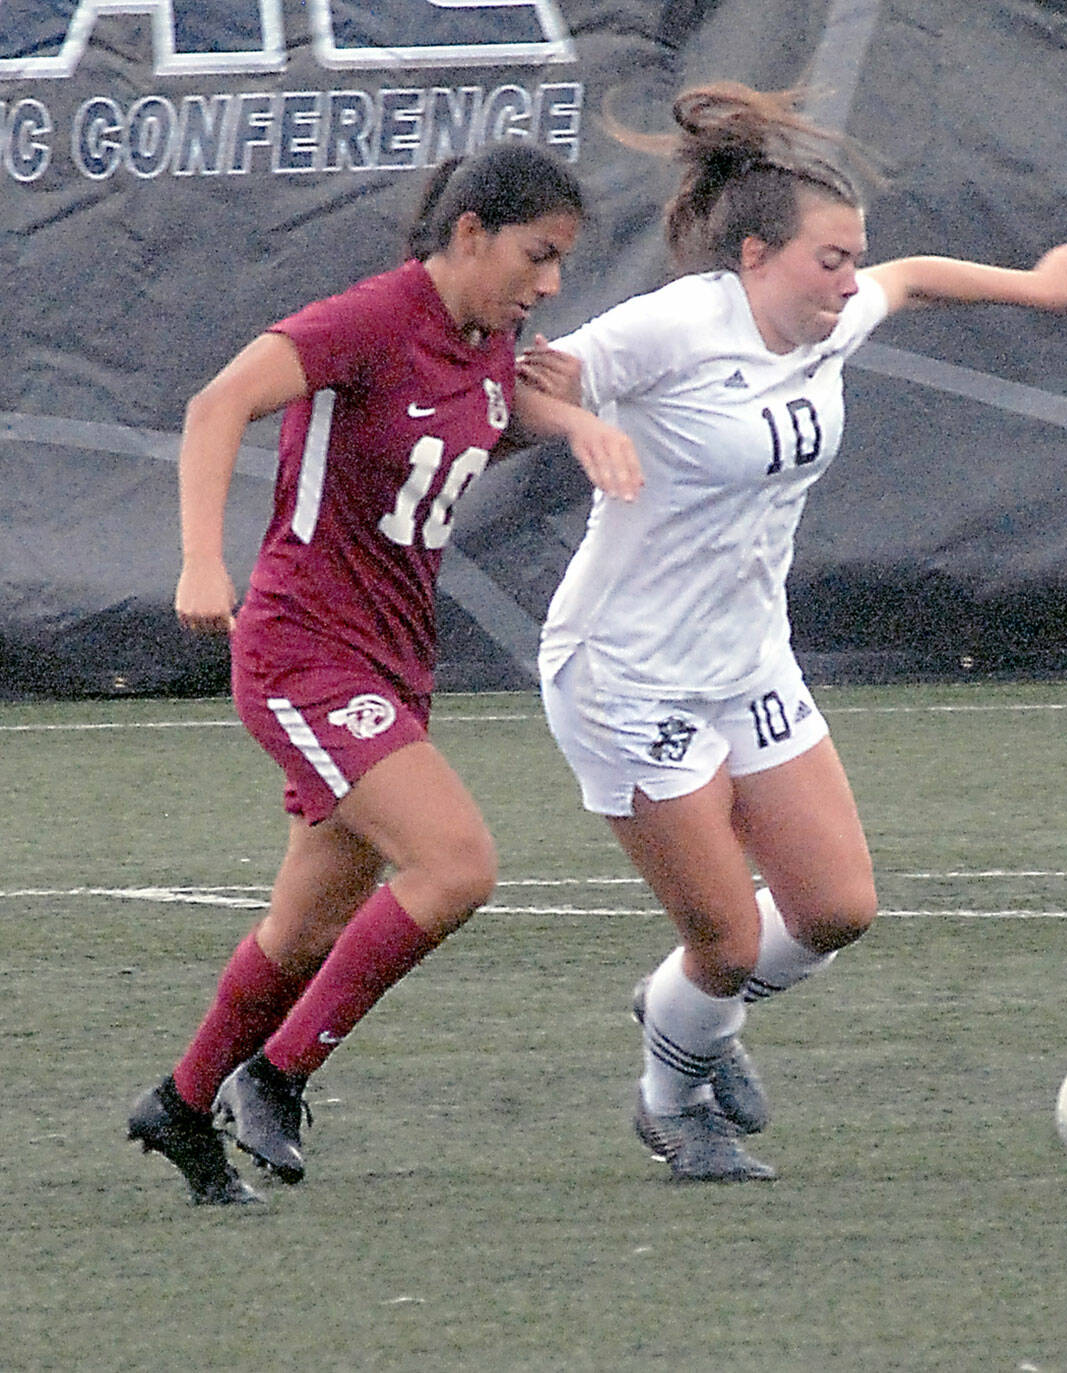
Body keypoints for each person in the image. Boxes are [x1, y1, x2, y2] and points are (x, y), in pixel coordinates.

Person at [521, 82, 1067, 1181]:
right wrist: (576, 429)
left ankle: (680, 1011)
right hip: (626, 675)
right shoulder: (677, 325)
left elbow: (910, 280)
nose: (849, 281)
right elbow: (530, 384)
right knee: (727, 941)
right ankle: (673, 1097)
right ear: (753, 256)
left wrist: (1037, 288)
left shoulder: (829, 312)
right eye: (827, 259)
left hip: (745, 655)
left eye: (850, 258)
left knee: (835, 907)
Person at [127, 143, 642, 1205]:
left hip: (390, 662)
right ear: (467, 234)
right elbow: (217, 403)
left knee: (304, 929)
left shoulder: (486, 339)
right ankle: (276, 1073)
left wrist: (574, 420)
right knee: (455, 864)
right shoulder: (369, 317)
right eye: (536, 256)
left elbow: (487, 415)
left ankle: (179, 1106)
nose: (549, 284)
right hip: (304, 651)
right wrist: (199, 558)